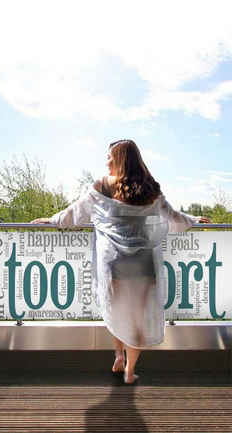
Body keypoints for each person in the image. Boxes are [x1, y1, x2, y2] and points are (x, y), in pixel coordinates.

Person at [32, 139, 211, 384]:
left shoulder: (102, 185)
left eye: (109, 156)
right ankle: (129, 370)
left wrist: (53, 220)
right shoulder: (150, 188)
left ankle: (118, 355)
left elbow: (75, 213)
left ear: (120, 159)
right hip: (144, 264)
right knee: (136, 316)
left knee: (117, 310)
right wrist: (194, 219)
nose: (106, 161)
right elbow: (173, 217)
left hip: (115, 262)